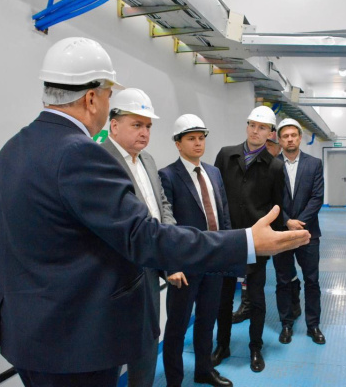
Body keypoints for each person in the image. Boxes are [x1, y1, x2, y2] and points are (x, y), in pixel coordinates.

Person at [0, 37, 310, 387]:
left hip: (25, 331)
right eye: (108, 97)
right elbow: (144, 235)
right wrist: (246, 242)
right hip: (72, 338)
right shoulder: (80, 154)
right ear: (91, 98)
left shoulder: (13, 149)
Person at [101, 88, 174, 387]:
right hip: (117, 272)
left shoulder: (148, 161)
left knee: (148, 339)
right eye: (137, 125)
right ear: (114, 125)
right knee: (111, 345)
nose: (144, 133)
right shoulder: (100, 160)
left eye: (148, 126)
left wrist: (170, 245)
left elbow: (162, 205)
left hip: (150, 265)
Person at [159, 115, 233, 387]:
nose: (198, 143)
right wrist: (171, 265)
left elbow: (224, 215)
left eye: (201, 138)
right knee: (177, 327)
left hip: (214, 261)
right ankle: (174, 381)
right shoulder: (167, 176)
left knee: (207, 320)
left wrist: (228, 253)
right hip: (185, 266)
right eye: (191, 138)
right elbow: (165, 224)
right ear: (178, 144)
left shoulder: (213, 173)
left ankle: (204, 370)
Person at [212, 106, 284, 373]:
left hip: (257, 242)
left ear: (270, 133)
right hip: (227, 238)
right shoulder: (226, 155)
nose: (255, 131)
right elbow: (215, 194)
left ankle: (255, 348)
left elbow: (277, 208)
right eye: (252, 125)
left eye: (262, 127)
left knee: (256, 298)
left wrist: (271, 240)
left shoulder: (275, 167)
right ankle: (222, 345)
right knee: (223, 298)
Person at [231, 130, 302, 324]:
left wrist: (287, 221)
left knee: (286, 271)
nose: (266, 148)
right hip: (258, 227)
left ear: (278, 148)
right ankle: (246, 305)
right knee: (250, 268)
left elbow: (283, 200)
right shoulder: (254, 167)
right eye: (265, 145)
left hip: (281, 226)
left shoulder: (277, 167)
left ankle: (294, 302)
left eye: (270, 145)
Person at [273, 118, 326, 345]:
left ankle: (313, 326)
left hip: (308, 233)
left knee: (312, 280)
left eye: (293, 135)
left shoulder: (314, 164)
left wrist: (299, 223)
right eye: (285, 136)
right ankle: (286, 324)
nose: (290, 139)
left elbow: (317, 197)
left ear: (300, 137)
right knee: (283, 280)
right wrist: (287, 222)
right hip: (281, 233)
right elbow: (269, 199)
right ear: (279, 140)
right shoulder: (272, 165)